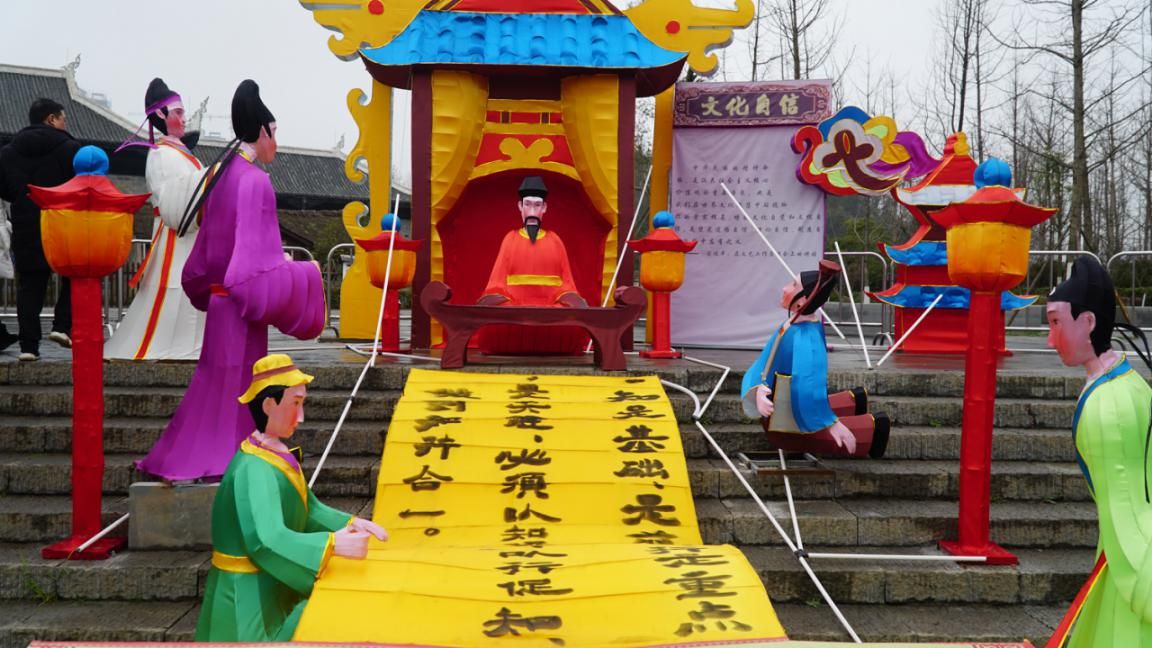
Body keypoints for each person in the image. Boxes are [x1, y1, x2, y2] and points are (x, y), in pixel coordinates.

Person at [136, 80, 326, 481]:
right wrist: (304, 273)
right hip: (242, 307)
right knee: (243, 386)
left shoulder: (220, 175)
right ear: (263, 130)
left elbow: (208, 250)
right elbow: (257, 265)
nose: (277, 143)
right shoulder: (255, 180)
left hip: (220, 300)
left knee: (213, 386)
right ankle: (234, 457)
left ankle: (193, 454)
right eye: (275, 132)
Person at [195, 353, 388, 642]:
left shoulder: (271, 455)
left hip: (269, 582)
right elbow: (265, 540)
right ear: (268, 405)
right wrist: (332, 544)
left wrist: (349, 522)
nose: (301, 417)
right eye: (295, 404)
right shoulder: (254, 468)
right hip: (246, 596)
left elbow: (308, 509)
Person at [1045, 257, 1152, 647]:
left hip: (1133, 568)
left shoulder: (1108, 408)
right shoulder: (1131, 382)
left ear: (1088, 321)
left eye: (1055, 323)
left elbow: (1127, 514)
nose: (1050, 339)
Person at [740, 260, 889, 458]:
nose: (785, 288)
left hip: (783, 419)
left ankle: (872, 429)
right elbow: (764, 363)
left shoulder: (805, 337)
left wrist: (830, 423)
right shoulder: (794, 325)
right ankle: (852, 402)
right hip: (778, 402)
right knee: (803, 412)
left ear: (803, 300)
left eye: (793, 285)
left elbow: (806, 384)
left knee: (793, 433)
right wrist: (758, 389)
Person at [106, 78, 209, 361]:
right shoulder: (161, 154)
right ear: (161, 115)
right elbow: (170, 199)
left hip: (192, 232)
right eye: (178, 112)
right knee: (172, 284)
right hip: (174, 231)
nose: (184, 119)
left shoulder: (182, 154)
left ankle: (197, 342)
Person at [0, 98, 81, 360]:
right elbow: (81, 185)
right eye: (63, 119)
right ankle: (62, 326)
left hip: (26, 224)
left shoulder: (8, 153)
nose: (65, 124)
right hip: (63, 222)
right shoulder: (71, 149)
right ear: (51, 119)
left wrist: (23, 198)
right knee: (75, 275)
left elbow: (5, 189)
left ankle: (28, 347)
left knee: (30, 286)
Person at [477, 176, 587, 309]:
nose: (532, 212)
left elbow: (567, 287)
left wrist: (554, 310)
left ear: (544, 208)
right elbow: (496, 286)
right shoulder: (510, 240)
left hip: (550, 315)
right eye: (528, 204)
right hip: (515, 314)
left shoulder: (555, 241)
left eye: (537, 205)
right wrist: (514, 309)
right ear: (520, 206)